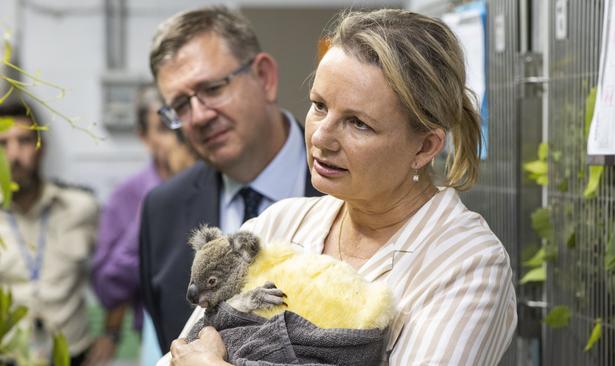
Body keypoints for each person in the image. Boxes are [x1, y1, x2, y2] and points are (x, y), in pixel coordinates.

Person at [167, 8, 517, 366]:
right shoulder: (279, 224)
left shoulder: (468, 263)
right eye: (319, 106)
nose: (321, 136)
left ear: (425, 146)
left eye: (358, 123)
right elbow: (180, 353)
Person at [139, 5, 320, 354]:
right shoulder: (162, 212)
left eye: (213, 88)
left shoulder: (350, 185)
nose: (200, 116)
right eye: (180, 105)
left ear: (264, 77)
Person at [87, 85, 196, 365]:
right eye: (162, 128)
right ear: (144, 137)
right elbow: (108, 287)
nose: (175, 138)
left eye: (178, 124)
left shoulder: (216, 183)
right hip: (156, 337)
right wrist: (154, 211)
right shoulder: (128, 196)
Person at [0, 100, 100, 366]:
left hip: (74, 355)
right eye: (3, 143)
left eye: (23, 141)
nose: (13, 155)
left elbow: (122, 270)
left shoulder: (81, 208)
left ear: (40, 147)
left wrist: (111, 334)